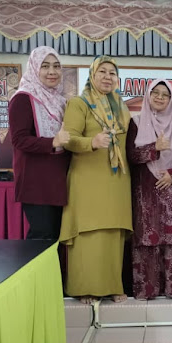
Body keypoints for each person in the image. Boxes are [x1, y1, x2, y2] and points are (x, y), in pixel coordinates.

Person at [59, 56, 132, 304]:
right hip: (87, 180)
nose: (107, 77)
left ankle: (113, 286)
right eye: (102, 71)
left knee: (113, 234)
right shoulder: (79, 104)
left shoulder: (121, 106)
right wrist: (92, 142)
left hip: (116, 180)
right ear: (92, 74)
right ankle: (84, 288)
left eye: (112, 73)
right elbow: (68, 139)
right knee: (88, 234)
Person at [127, 80, 172, 300]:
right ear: (148, 95)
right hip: (146, 190)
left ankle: (170, 289)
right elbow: (131, 155)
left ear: (171, 99)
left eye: (165, 94)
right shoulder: (135, 122)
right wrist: (154, 148)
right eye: (156, 93)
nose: (160, 97)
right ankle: (147, 290)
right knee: (147, 238)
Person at [9, 46, 71, 240]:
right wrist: (53, 141)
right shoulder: (22, 98)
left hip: (58, 181)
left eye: (56, 66)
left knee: (56, 238)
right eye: (45, 66)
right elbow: (19, 140)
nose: (52, 72)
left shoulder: (60, 101)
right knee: (42, 237)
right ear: (34, 68)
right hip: (36, 182)